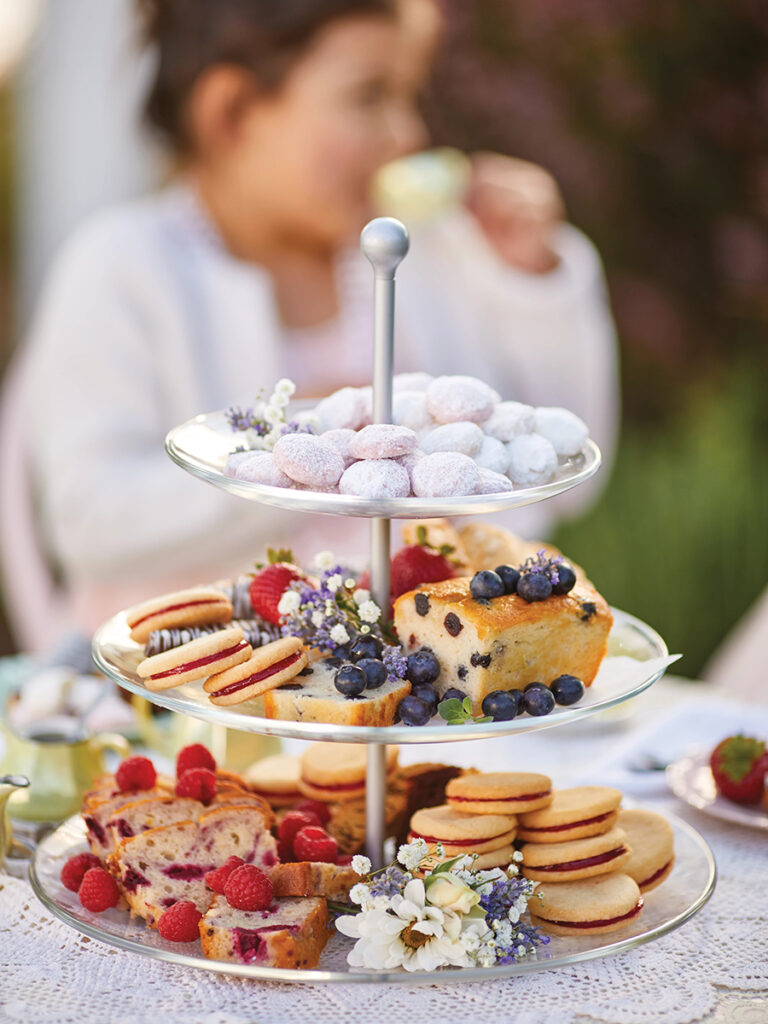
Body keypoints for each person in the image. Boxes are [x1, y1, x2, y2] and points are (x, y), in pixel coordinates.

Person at [2, 0, 618, 651]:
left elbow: (560, 472)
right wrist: (304, 459)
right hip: (190, 693)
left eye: (410, 94)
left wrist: (528, 277)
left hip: (424, 679)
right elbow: (91, 524)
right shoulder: (123, 269)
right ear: (231, 113)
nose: (407, 132)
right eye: (369, 95)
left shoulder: (425, 254)